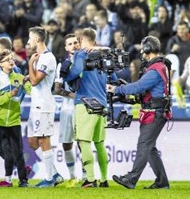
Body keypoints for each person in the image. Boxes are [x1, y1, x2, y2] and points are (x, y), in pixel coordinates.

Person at [110, 36, 171, 190]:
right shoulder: (160, 66)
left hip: (154, 112)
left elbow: (138, 87)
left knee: (144, 145)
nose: (142, 53)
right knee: (150, 148)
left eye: (144, 49)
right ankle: (162, 182)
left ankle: (131, 178)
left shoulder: (155, 69)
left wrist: (116, 89)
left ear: (148, 48)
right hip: (156, 111)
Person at [64, 28, 113, 188]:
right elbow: (114, 78)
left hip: (85, 103)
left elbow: (76, 71)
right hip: (102, 103)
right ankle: (104, 179)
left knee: (83, 141)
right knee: (99, 143)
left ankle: (90, 179)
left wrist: (67, 75)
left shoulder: (81, 54)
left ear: (81, 39)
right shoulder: (103, 55)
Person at [0, 50, 30, 188]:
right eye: (7, 59)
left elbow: (30, 90)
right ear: (1, 64)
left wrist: (29, 82)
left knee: (18, 152)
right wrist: (10, 94)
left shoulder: (20, 77)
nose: (11, 61)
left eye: (12, 58)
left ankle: (23, 181)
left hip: (14, 121)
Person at [26, 26, 64, 187]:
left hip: (44, 105)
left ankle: (49, 179)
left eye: (29, 39)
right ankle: (54, 173)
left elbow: (36, 81)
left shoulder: (47, 58)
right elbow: (34, 78)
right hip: (36, 104)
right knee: (32, 142)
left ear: (37, 39)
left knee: (43, 139)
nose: (28, 42)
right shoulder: (39, 57)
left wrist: (30, 64)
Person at [54, 34, 81, 186]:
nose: (74, 45)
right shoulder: (61, 66)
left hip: (82, 107)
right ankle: (72, 176)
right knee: (66, 143)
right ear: (66, 48)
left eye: (76, 42)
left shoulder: (86, 63)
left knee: (83, 142)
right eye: (70, 44)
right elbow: (57, 89)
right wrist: (73, 95)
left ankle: (86, 176)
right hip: (67, 108)